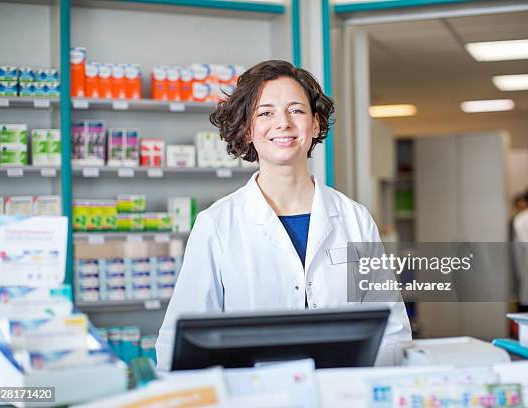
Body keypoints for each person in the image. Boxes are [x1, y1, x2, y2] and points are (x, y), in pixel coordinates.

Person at [155, 60, 411, 371]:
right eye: (265, 113)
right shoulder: (217, 225)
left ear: (315, 125)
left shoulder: (354, 219)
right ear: (248, 129)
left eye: (296, 110)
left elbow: (392, 331)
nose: (283, 123)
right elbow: (178, 343)